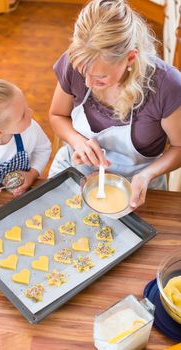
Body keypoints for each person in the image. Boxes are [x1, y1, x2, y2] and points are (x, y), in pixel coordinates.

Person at [49, 0, 181, 208]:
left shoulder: (167, 85)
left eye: (100, 78)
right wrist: (78, 141)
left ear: (130, 58)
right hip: (76, 170)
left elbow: (179, 147)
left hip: (138, 185)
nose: (87, 84)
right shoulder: (76, 61)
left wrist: (147, 175)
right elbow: (57, 116)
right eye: (83, 72)